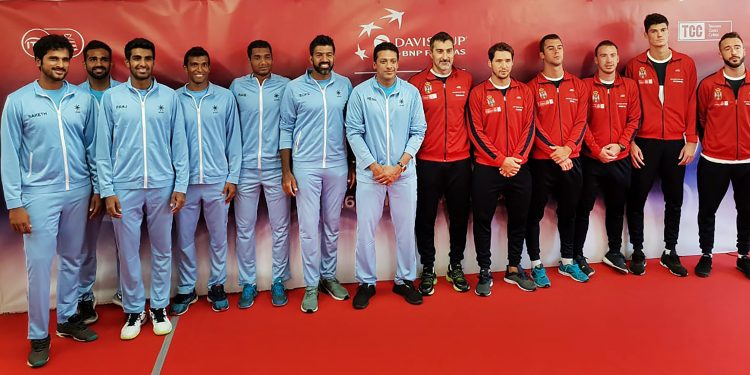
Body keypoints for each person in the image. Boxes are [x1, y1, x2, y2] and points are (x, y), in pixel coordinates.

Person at [1, 34, 98, 368]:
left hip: (79, 191)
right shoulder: (19, 101)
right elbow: (9, 154)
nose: (59, 65)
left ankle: (68, 319)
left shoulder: (81, 100)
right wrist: (15, 202)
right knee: (39, 268)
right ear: (38, 62)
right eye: (53, 59)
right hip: (37, 194)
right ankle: (39, 336)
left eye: (64, 60)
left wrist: (97, 188)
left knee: (74, 258)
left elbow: (92, 147)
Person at [96, 37, 188, 340]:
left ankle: (159, 307)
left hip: (162, 186)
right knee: (129, 252)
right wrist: (108, 190)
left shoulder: (169, 98)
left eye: (147, 58)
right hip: (125, 188)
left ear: (153, 61)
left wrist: (180, 185)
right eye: (136, 58)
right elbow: (102, 150)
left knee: (162, 250)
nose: (142, 64)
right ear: (128, 62)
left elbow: (180, 145)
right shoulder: (112, 98)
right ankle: (134, 310)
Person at [346, 42, 427, 309]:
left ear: (398, 63)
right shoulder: (360, 93)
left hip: (403, 174)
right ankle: (366, 282)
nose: (389, 66)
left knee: (405, 230)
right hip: (372, 175)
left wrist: (399, 166)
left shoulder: (411, 92)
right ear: (374, 64)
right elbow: (353, 132)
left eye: (393, 61)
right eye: (384, 61)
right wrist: (375, 167)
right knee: (365, 231)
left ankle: (404, 280)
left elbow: (418, 131)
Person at [280, 35, 354, 313]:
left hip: (337, 165)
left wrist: (353, 164)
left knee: (332, 225)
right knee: (310, 228)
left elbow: (352, 128)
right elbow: (285, 128)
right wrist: (287, 171)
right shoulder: (294, 88)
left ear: (334, 57)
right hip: (306, 166)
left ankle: (328, 277)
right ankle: (311, 284)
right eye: (319, 55)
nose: (325, 59)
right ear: (310, 59)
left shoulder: (344, 85)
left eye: (329, 54)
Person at [624, 13, 697, 277]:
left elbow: (692, 103)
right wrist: (630, 141)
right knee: (636, 198)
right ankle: (638, 250)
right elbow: (628, 107)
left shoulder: (685, 63)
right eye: (654, 31)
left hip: (676, 143)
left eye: (663, 30)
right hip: (644, 142)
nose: (659, 35)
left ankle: (670, 251)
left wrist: (692, 141)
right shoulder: (634, 66)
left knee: (674, 199)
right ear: (646, 35)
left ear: (669, 31)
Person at [172, 47, 241, 314]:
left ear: (209, 67)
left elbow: (234, 140)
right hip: (184, 185)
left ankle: (217, 285)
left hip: (217, 181)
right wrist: (177, 182)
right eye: (193, 65)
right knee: (185, 238)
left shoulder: (224, 98)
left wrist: (232, 177)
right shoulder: (174, 99)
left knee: (218, 237)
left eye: (203, 64)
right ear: (185, 67)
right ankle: (187, 288)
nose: (199, 69)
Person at [408, 31, 473, 295]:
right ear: (431, 53)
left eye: (449, 51)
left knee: (459, 216)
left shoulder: (466, 79)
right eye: (440, 51)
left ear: (454, 52)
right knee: (425, 217)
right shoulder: (416, 82)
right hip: (427, 161)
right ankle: (428, 267)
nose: (445, 56)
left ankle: (456, 265)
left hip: (460, 161)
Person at [468, 42, 536, 294]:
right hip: (487, 168)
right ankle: (484, 271)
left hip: (519, 167)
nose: (504, 66)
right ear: (490, 63)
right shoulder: (478, 93)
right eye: (499, 61)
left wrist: (515, 159)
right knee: (483, 220)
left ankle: (514, 268)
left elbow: (530, 128)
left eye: (508, 61)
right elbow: (476, 132)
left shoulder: (524, 92)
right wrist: (500, 160)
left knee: (519, 219)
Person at [230, 40, 292, 308]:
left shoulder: (286, 85)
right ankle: (247, 283)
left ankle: (278, 280)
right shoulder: (237, 87)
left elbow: (290, 126)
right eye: (257, 58)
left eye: (267, 57)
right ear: (250, 60)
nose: (263, 62)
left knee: (280, 227)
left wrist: (288, 169)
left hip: (276, 168)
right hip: (244, 169)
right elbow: (230, 129)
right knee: (244, 229)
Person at [526, 34, 590, 284]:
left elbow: (581, 122)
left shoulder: (578, 85)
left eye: (560, 47)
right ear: (542, 55)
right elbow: (533, 124)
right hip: (543, 162)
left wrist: (569, 148)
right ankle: (536, 263)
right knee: (535, 214)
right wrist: (556, 151)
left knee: (570, 212)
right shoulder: (532, 87)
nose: (556, 52)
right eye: (550, 49)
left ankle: (567, 262)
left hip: (572, 160)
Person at [574, 40, 640, 274]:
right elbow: (582, 122)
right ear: (596, 59)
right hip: (592, 160)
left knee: (616, 207)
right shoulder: (584, 86)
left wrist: (621, 145)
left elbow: (634, 119)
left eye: (613, 55)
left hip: (619, 159)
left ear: (618, 57)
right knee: (583, 208)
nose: (609, 60)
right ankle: (576, 254)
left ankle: (614, 252)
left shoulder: (630, 86)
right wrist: (596, 150)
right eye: (603, 55)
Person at [694, 32, 750, 279]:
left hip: (747, 162)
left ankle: (743, 256)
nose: (733, 52)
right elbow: (701, 120)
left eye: (737, 47)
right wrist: (716, 143)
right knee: (707, 210)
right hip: (714, 161)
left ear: (744, 50)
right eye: (727, 48)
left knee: (747, 210)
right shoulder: (708, 85)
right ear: (720, 53)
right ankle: (706, 254)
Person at [76, 39, 123, 325]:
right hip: (86, 184)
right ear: (85, 64)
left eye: (103, 59)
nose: (98, 64)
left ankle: (125, 292)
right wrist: (96, 186)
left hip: (122, 182)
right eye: (92, 59)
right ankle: (84, 297)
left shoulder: (124, 93)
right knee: (85, 244)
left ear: (111, 62)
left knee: (125, 243)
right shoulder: (75, 96)